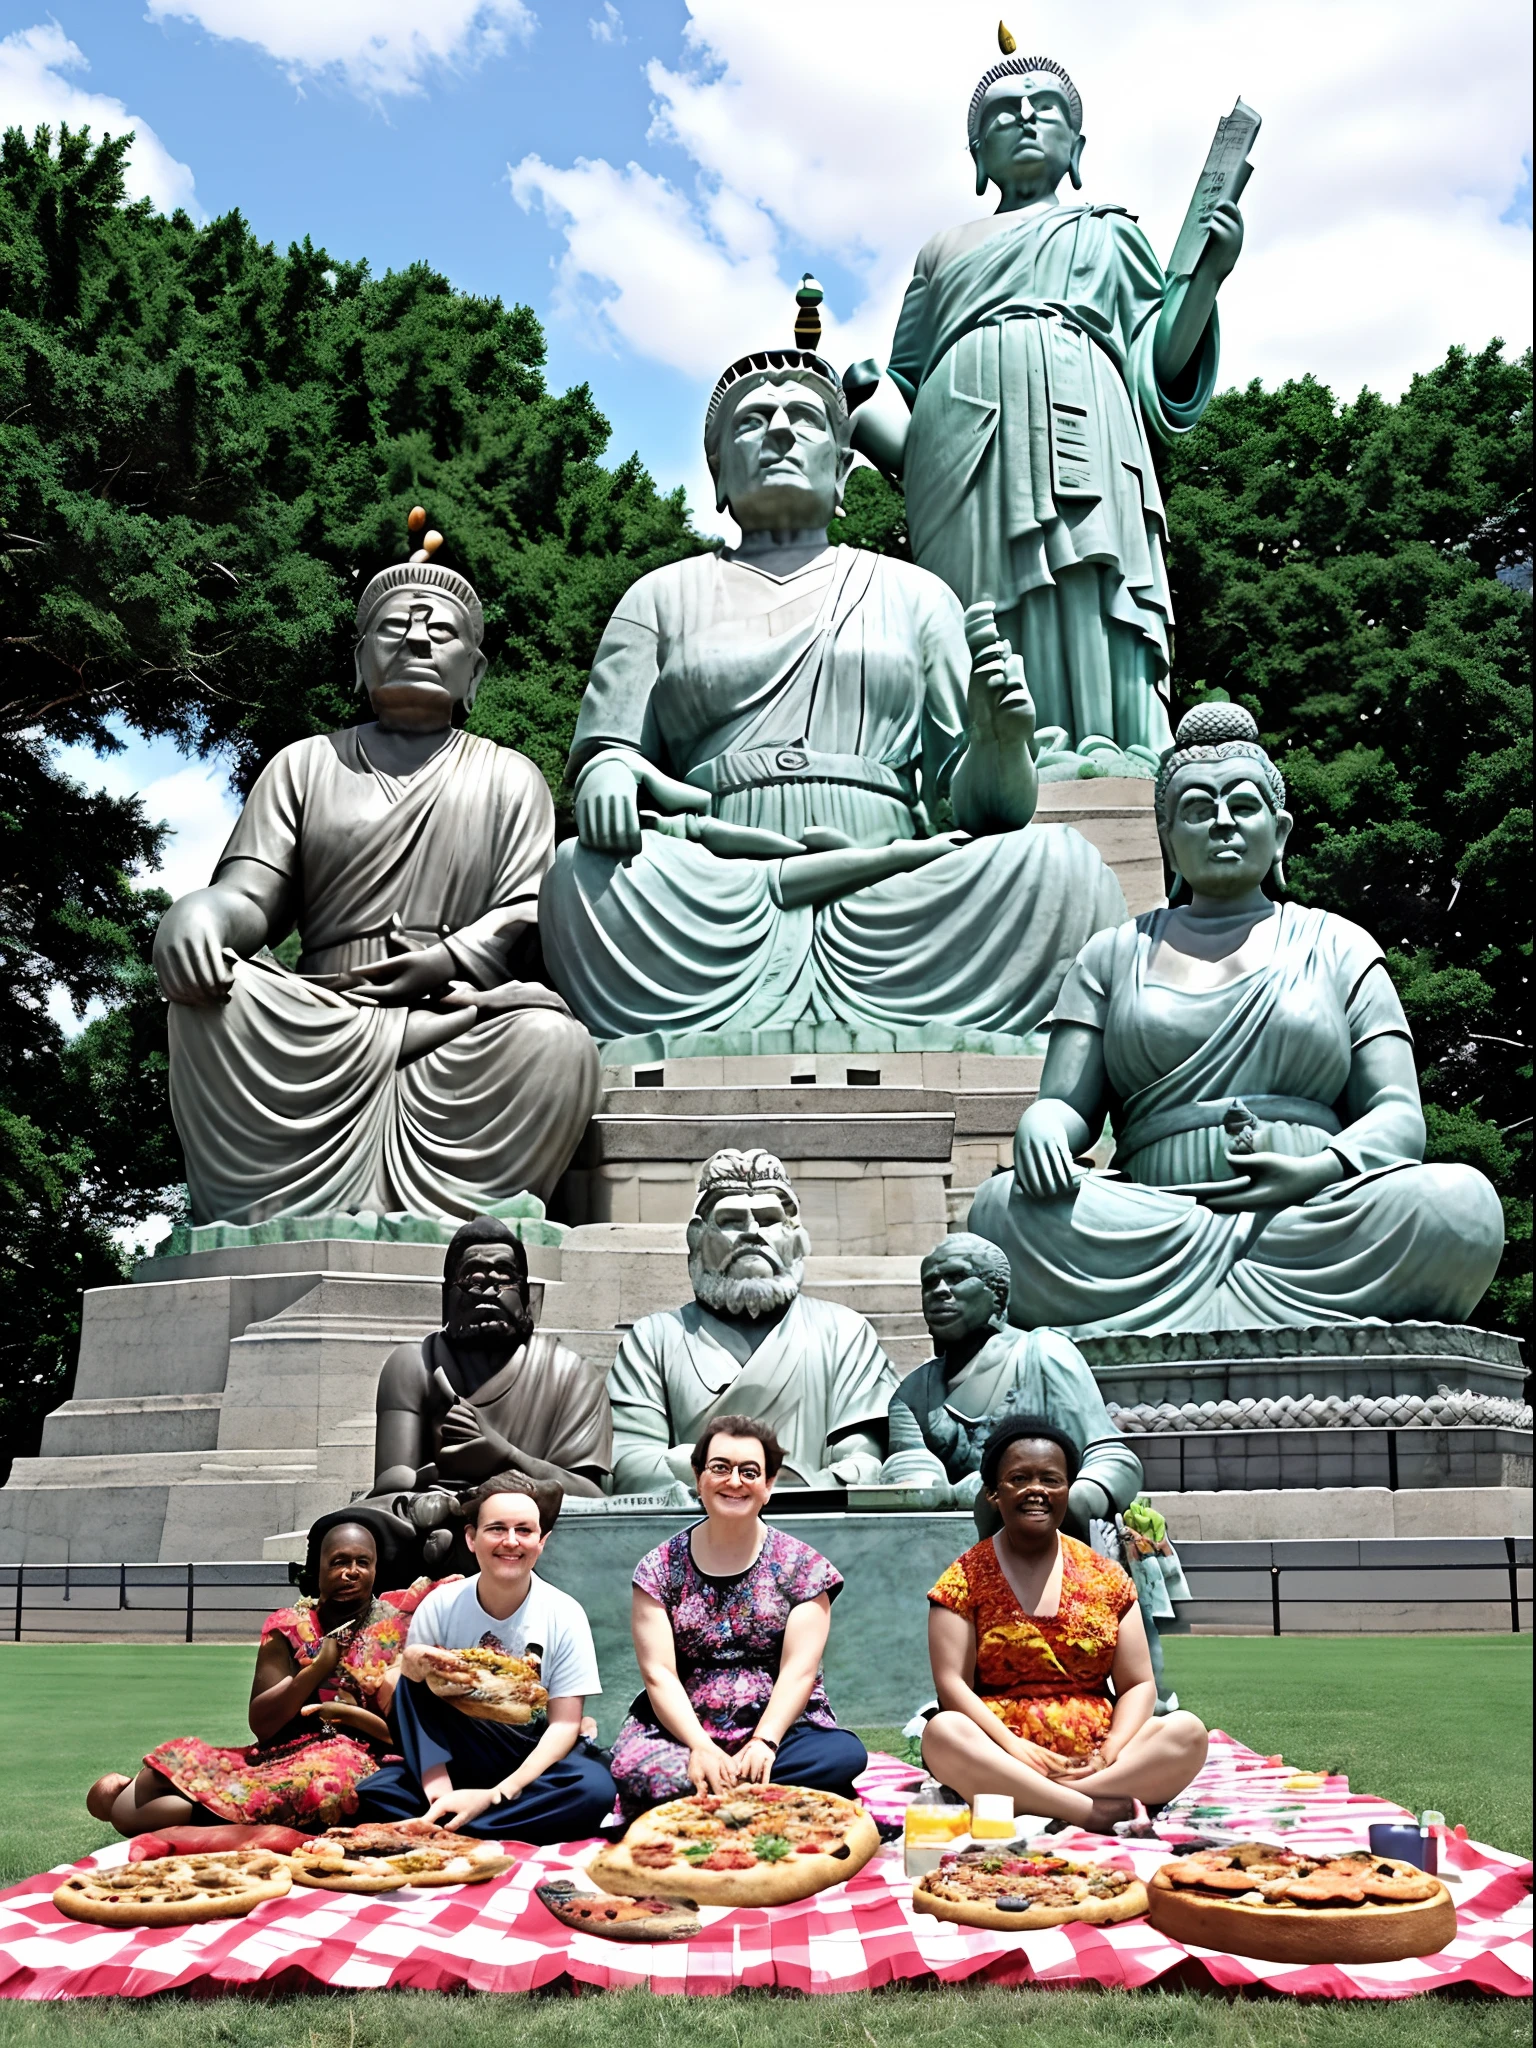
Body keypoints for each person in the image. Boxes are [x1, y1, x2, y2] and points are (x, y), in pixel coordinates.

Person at [538, 320, 1125, 1054]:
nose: (780, 431)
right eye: (752, 422)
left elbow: (978, 809)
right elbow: (609, 755)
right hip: (719, 886)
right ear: (719, 473)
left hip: (891, 886)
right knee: (576, 876)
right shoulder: (659, 596)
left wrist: (998, 742)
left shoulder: (916, 595)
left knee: (1059, 869)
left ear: (844, 471)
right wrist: (610, 772)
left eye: (806, 419)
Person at [969, 703, 1506, 1331]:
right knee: (1000, 1212)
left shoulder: (1338, 945)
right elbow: (1069, 1106)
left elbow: (1396, 1115)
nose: (1222, 823)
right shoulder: (1112, 955)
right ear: (1168, 837)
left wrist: (1319, 1170)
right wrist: (1044, 1124)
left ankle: (1192, 1310)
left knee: (1458, 1203)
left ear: (1279, 833)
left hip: (1311, 1219)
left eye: (1243, 806)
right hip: (1155, 1224)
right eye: (1197, 809)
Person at [153, 522, 599, 1226]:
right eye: (392, 629)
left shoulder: (509, 777)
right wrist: (199, 915)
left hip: (455, 1013)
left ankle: (463, 1220)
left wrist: (445, 961)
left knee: (555, 1045)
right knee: (208, 1003)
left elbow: (527, 911)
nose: (417, 641)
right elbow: (250, 896)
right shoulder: (304, 765)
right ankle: (277, 1201)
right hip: (322, 1010)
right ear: (359, 663)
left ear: (474, 673)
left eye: (442, 634)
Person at [847, 47, 1243, 764]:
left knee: (1089, 565)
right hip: (961, 440)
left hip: (1084, 415)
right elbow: (903, 380)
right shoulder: (942, 251)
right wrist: (866, 398)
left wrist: (1208, 276)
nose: (1026, 118)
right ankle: (988, 758)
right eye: (1003, 113)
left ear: (1077, 146)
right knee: (980, 595)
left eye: (1045, 108)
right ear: (977, 155)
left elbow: (1159, 360)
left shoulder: (1109, 232)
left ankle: (1112, 744)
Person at [921, 1417, 1208, 1830]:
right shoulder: (964, 1579)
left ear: (1067, 1491)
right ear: (993, 1493)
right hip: (1004, 1754)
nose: (1036, 1489)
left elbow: (1139, 1684)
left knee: (1187, 1732)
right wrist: (1013, 1748)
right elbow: (952, 1686)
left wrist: (1109, 1751)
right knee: (943, 1733)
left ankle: (1040, 1801)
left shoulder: (1107, 1577)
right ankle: (1087, 1811)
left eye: (1051, 1479)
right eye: (1019, 1478)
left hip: (1098, 1759)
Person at [86, 1509, 409, 1835]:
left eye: (362, 1563)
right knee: (152, 1780)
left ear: (375, 1568)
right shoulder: (289, 1626)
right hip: (279, 1757)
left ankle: (215, 1817)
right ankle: (207, 1806)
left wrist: (345, 1715)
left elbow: (406, 1733)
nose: (351, 1572)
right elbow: (263, 1724)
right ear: (318, 1569)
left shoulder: (396, 1628)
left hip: (352, 1761)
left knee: (130, 1812)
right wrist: (318, 1668)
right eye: (339, 1562)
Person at [610, 1415, 868, 1820]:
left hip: (780, 1731)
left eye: (750, 1472)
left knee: (841, 1756)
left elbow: (800, 1672)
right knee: (639, 1769)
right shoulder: (658, 1569)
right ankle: (759, 1800)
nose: (734, 1481)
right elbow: (659, 1673)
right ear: (698, 1477)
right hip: (683, 1730)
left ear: (769, 1485)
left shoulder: (802, 1567)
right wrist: (700, 1746)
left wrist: (765, 1742)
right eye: (720, 1468)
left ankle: (712, 1800)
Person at [608, 1148, 897, 1494]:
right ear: (697, 1237)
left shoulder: (845, 1333)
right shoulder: (654, 1339)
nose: (753, 1232)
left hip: (816, 1524)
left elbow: (866, 1460)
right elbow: (630, 1464)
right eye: (731, 1221)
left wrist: (794, 1487)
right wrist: (727, 1475)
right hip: (692, 1528)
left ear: (796, 1236)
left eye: (770, 1219)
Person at [355, 1473, 616, 1842]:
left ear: (542, 1542)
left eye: (524, 1531)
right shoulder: (441, 1605)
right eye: (496, 1529)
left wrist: (496, 1793)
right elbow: (414, 1712)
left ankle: (456, 1824)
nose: (511, 1542)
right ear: (471, 1538)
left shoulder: (565, 1613)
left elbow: (562, 1726)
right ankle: (446, 1809)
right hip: (458, 1752)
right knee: (376, 1792)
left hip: (528, 1757)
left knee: (594, 1789)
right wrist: (439, 1790)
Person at [370, 1216, 611, 1559]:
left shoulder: (571, 1373)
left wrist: (503, 1454)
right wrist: (447, 1488)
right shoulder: (414, 1365)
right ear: (446, 1294)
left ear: (528, 1296)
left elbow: (593, 1500)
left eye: (504, 1276)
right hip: (434, 1521)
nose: (488, 1288)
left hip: (535, 1538)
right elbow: (389, 1489)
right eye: (472, 1278)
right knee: (347, 1532)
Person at [881, 1232, 1141, 1529]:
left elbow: (1111, 1456)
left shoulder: (1044, 1354)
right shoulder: (913, 1393)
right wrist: (927, 1485)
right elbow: (908, 1464)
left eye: (957, 1277)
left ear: (998, 1293)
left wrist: (1081, 1498)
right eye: (929, 1282)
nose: (939, 1290)